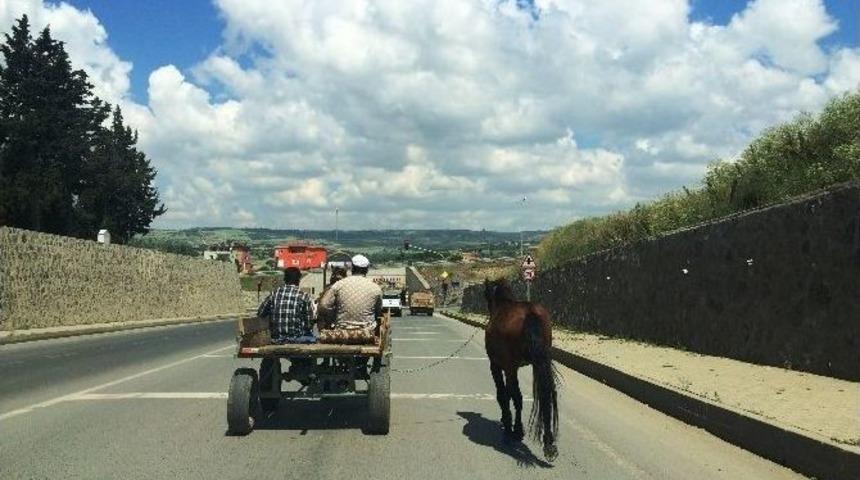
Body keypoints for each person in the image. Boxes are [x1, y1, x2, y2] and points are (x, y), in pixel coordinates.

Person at [318, 254, 382, 342]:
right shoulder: (375, 288)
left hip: (342, 330)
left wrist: (334, 314)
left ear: (352, 268)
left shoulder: (339, 285)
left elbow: (324, 305)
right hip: (367, 332)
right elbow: (378, 311)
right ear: (367, 270)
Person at [257, 267, 316, 344]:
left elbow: (261, 313)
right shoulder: (304, 296)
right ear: (298, 280)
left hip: (276, 339)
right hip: (297, 339)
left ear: (284, 279)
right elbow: (309, 323)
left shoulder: (274, 294)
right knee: (312, 336)